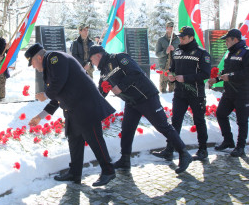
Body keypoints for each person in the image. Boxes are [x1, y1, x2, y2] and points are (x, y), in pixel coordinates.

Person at [89, 45, 192, 174]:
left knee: (162, 126)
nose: (92, 63)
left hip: (146, 97)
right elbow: (101, 92)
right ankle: (125, 160)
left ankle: (184, 153)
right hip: (132, 102)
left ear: (98, 55)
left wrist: (121, 86)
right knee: (127, 130)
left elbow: (135, 72)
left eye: (92, 59)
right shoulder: (104, 72)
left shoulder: (119, 58)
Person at [26, 43, 116, 186]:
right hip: (74, 108)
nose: (33, 67)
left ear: (38, 57)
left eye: (32, 62)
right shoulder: (50, 67)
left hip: (86, 105)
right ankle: (75, 173)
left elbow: (58, 83)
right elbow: (57, 95)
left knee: (94, 139)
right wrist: (40, 116)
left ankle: (108, 171)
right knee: (74, 140)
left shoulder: (55, 58)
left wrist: (45, 94)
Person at [153, 26, 211, 161]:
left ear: (191, 38)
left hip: (195, 93)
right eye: (180, 37)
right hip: (179, 93)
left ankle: (203, 149)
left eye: (183, 37)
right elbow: (173, 68)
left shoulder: (201, 53)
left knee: (199, 120)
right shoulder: (177, 51)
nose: (181, 39)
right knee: (175, 121)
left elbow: (206, 73)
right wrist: (171, 76)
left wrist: (186, 78)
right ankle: (170, 149)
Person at [208, 29, 249, 157]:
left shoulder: (246, 53)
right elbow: (226, 71)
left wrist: (230, 76)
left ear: (235, 40)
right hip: (229, 92)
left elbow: (246, 73)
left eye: (227, 40)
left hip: (242, 92)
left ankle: (240, 146)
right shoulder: (229, 53)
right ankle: (228, 140)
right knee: (221, 113)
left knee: (241, 121)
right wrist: (217, 79)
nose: (226, 42)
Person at [155, 21, 179, 93]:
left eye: (173, 27)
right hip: (164, 66)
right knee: (163, 88)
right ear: (166, 28)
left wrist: (174, 49)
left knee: (173, 88)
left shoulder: (178, 40)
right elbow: (157, 54)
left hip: (174, 66)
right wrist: (166, 52)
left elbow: (182, 52)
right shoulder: (161, 40)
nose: (171, 29)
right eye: (170, 27)